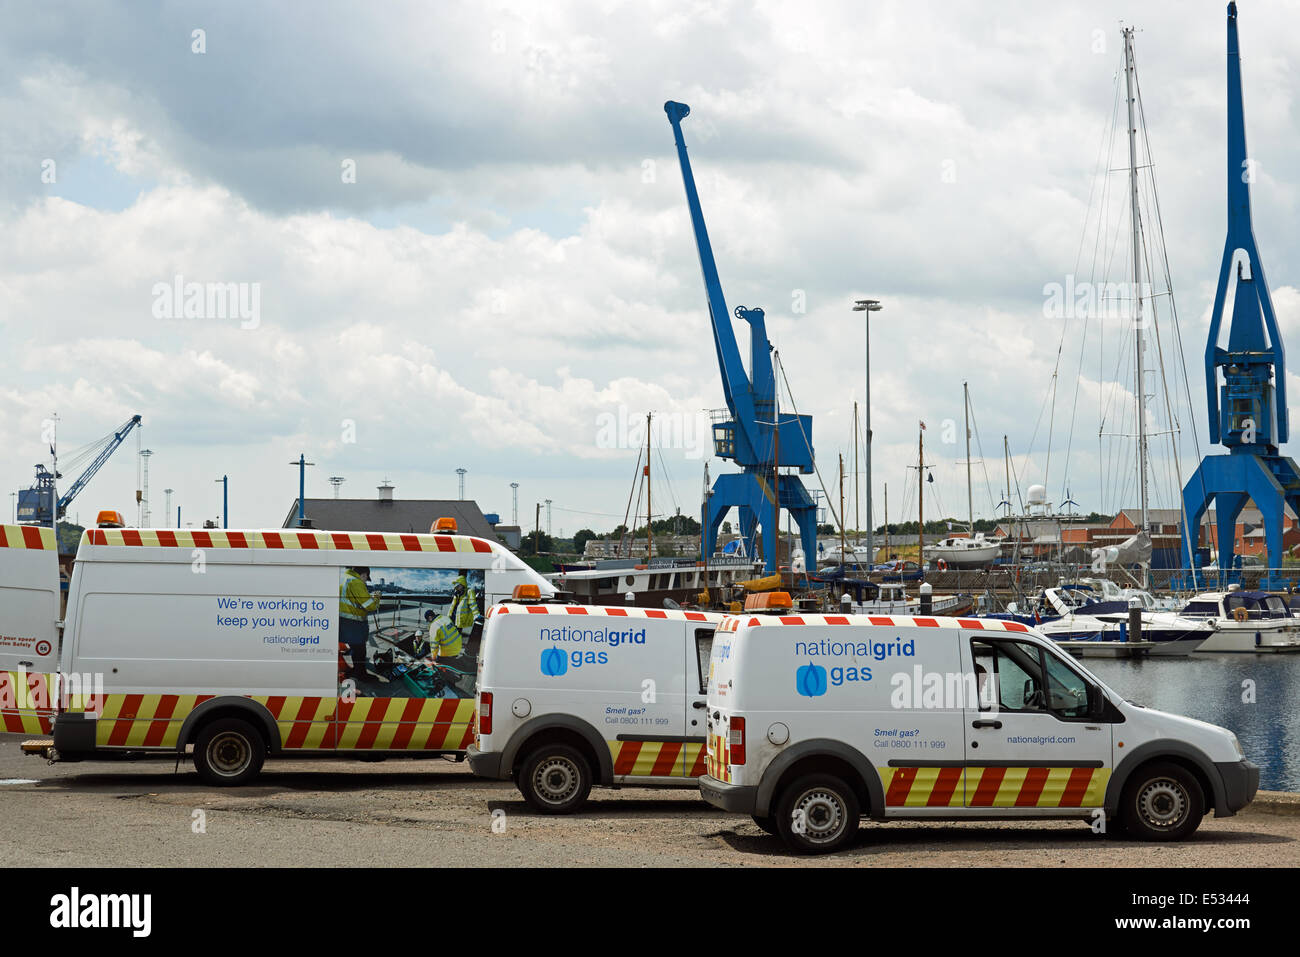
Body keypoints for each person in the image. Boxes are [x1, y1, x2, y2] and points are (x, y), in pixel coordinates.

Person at [339, 566, 380, 678]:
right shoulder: (356, 582)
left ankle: (356, 670)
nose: (365, 581)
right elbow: (370, 606)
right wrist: (376, 598)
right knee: (360, 651)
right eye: (366, 579)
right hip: (354, 623)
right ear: (364, 574)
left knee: (354, 648)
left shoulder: (343, 578)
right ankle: (361, 675)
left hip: (343, 620)